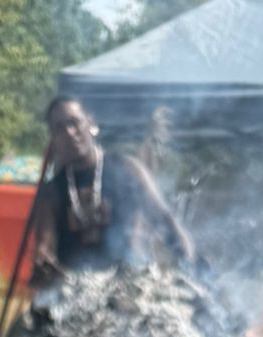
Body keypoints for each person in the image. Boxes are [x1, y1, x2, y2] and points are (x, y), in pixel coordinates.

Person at [29, 98, 193, 287]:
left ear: (91, 125)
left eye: (74, 123)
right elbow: (45, 244)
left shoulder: (128, 170)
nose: (69, 132)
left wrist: (190, 265)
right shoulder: (51, 192)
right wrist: (43, 261)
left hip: (129, 284)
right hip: (73, 289)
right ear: (54, 140)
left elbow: (165, 221)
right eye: (59, 129)